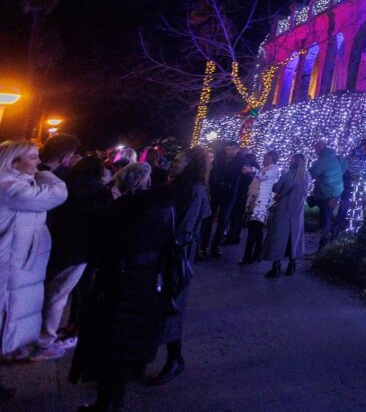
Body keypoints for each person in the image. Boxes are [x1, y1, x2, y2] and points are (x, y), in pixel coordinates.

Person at [69, 162, 169, 412]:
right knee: (127, 343)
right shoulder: (161, 209)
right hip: (144, 283)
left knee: (110, 343)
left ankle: (105, 402)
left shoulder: (119, 210)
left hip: (117, 283)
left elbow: (97, 253)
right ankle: (116, 401)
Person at [33, 152, 113, 360]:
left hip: (52, 242)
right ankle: (45, 339)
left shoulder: (63, 185)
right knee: (58, 294)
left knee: (42, 290)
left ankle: (31, 332)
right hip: (80, 249)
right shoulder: (100, 192)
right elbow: (103, 225)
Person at [0, 139, 68, 363]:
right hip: (9, 264)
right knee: (7, 312)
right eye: (32, 157)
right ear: (14, 160)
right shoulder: (9, 187)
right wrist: (46, 174)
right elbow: (58, 194)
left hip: (17, 262)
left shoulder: (19, 184)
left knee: (12, 313)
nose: (38, 161)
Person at [148, 146, 211, 386]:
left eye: (178, 160)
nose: (174, 163)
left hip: (177, 254)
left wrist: (172, 246)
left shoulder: (194, 189)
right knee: (163, 302)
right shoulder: (179, 185)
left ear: (191, 164)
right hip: (168, 250)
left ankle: (174, 358)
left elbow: (186, 225)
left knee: (172, 303)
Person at [264, 153, 309, 278]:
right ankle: (292, 263)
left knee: (278, 238)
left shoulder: (287, 176)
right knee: (293, 239)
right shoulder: (307, 176)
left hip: (284, 210)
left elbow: (276, 189)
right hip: (297, 213)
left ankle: (276, 266)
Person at [239, 150, 280, 265]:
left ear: (273, 159)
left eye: (268, 158)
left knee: (254, 228)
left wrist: (251, 169)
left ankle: (249, 256)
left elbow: (263, 177)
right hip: (256, 201)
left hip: (260, 203)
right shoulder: (264, 169)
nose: (265, 160)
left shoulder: (273, 169)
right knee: (256, 229)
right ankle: (256, 253)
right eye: (264, 157)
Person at [202, 141, 240, 258]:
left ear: (237, 149)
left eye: (232, 149)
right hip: (217, 191)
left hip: (229, 193)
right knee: (209, 219)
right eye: (228, 149)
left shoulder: (241, 161)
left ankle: (214, 247)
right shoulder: (220, 158)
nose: (230, 152)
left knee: (223, 221)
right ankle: (204, 246)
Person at [335, 138, 366, 235]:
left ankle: (342, 223)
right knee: (348, 201)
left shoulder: (356, 153)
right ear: (365, 146)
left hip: (353, 179)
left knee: (349, 202)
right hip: (352, 179)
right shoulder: (360, 154)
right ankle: (340, 225)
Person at [308, 140, 346, 244]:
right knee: (326, 216)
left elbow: (310, 174)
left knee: (325, 219)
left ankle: (323, 247)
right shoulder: (335, 156)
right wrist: (337, 176)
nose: (314, 152)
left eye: (315, 149)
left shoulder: (322, 161)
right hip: (336, 191)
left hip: (328, 193)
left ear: (319, 149)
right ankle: (324, 244)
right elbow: (345, 163)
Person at [222, 143, 257, 246]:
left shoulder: (245, 165)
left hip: (240, 193)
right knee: (237, 217)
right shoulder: (250, 166)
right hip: (243, 194)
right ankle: (234, 235)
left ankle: (232, 236)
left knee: (235, 216)